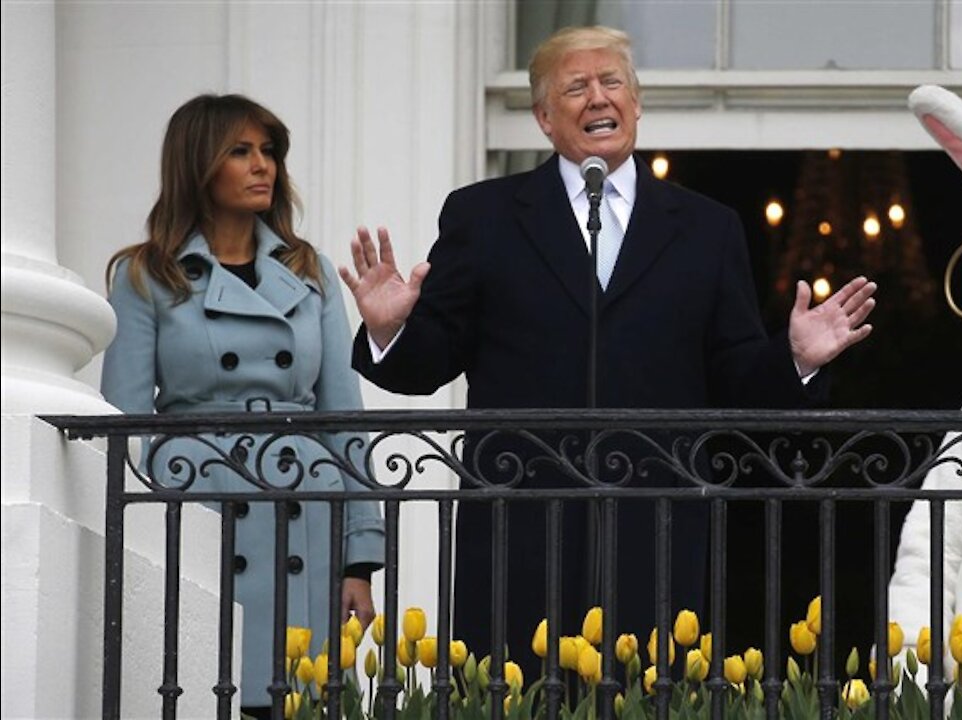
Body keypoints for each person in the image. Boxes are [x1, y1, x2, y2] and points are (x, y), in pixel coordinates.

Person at [340, 26, 876, 670]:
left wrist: (795, 359)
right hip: (520, 526)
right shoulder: (482, 216)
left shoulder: (707, 228)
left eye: (612, 82)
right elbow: (431, 362)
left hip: (656, 528)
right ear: (543, 116)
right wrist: (390, 328)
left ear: (636, 102)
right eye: (576, 87)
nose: (599, 98)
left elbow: (734, 380)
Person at [101, 94, 384, 716]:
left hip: (303, 509)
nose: (264, 166)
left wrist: (359, 559)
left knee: (297, 699)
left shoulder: (309, 273)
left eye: (269, 152)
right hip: (198, 505)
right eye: (241, 151)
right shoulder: (147, 275)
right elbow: (121, 424)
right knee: (202, 689)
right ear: (198, 165)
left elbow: (344, 414)